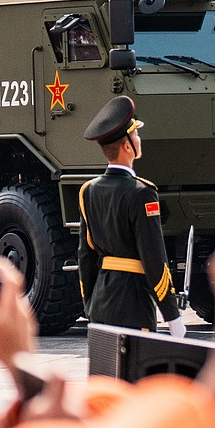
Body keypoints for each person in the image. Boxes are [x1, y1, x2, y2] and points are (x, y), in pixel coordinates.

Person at [76, 96, 183, 337]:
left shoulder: (88, 191)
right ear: (127, 146)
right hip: (133, 306)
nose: (138, 139)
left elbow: (85, 256)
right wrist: (172, 315)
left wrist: (90, 303)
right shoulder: (142, 193)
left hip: (100, 304)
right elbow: (154, 258)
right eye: (135, 135)